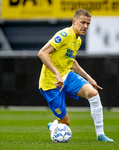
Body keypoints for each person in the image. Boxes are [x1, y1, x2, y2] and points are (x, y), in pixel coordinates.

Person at [38, 9, 113, 142]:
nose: (85, 26)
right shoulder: (64, 35)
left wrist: (89, 78)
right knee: (65, 122)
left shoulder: (78, 40)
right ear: (74, 22)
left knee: (93, 94)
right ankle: (54, 125)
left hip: (67, 75)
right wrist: (56, 74)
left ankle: (100, 135)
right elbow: (42, 53)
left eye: (88, 24)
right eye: (82, 22)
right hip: (51, 83)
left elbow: (71, 61)